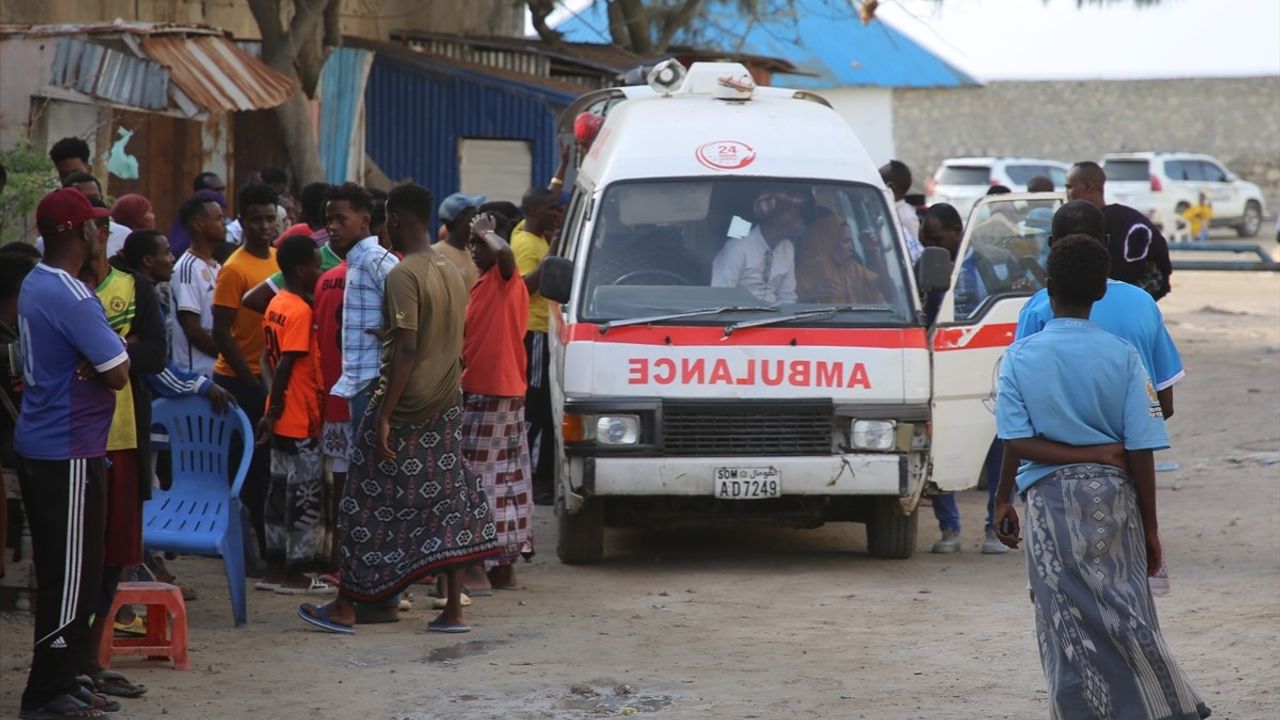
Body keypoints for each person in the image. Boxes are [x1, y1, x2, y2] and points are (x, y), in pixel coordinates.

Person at [992, 234, 1210, 720]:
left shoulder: (1019, 357)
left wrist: (1002, 500)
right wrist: (1151, 527)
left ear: (1048, 287)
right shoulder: (1125, 357)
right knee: (1128, 609)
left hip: (1048, 502)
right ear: (1100, 292)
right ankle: (1163, 704)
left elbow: (1016, 440)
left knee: (1063, 621)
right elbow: (1142, 446)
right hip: (1116, 498)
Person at [297, 184, 498, 635]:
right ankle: (447, 610)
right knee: (445, 500)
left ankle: (347, 606)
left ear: (394, 219)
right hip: (445, 401)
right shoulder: (451, 267)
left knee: (359, 504)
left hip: (406, 406)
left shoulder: (404, 274)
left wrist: (384, 414)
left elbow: (405, 347)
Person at [16, 188, 130, 718]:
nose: (100, 233)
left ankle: (65, 678)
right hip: (69, 450)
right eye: (94, 225)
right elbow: (118, 372)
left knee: (68, 571)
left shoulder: (37, 283)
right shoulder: (72, 295)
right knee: (71, 577)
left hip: (48, 444)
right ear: (78, 233)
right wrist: (103, 353)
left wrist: (97, 354)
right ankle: (46, 693)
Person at [918, 203, 1011, 554]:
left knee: (997, 446)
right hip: (942, 367)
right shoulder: (927, 266)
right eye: (925, 238)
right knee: (942, 447)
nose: (930, 245)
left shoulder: (988, 263)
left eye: (936, 237)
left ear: (958, 232)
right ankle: (950, 530)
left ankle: (995, 528)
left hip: (983, 365)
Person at [461, 213, 535, 591]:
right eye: (472, 243)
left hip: (492, 390)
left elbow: (505, 255)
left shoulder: (505, 277)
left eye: (480, 244)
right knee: (506, 479)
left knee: (479, 479)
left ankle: (477, 563)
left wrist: (486, 233)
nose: (475, 250)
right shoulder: (483, 284)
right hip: (494, 388)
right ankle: (503, 566)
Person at [255, 235, 328, 594]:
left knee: (278, 494)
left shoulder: (278, 302)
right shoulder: (300, 312)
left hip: (282, 416)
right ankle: (296, 573)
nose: (320, 270)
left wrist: (270, 407)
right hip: (298, 418)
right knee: (303, 496)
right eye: (317, 264)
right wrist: (279, 405)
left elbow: (264, 361)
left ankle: (272, 569)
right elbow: (285, 363)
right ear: (301, 269)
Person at [211, 183, 280, 566]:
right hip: (240, 381)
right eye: (256, 220)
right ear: (244, 222)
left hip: (270, 378)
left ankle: (267, 548)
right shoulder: (234, 268)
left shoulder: (278, 258)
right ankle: (245, 551)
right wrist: (252, 383)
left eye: (270, 219)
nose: (264, 226)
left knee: (267, 470)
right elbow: (221, 330)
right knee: (245, 470)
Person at [331, 186, 400, 440]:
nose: (333, 227)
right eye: (329, 220)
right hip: (360, 381)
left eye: (341, 219)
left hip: (374, 382)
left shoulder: (375, 259)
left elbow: (413, 308)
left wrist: (392, 334)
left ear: (365, 222)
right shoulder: (357, 260)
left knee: (372, 466)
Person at [512, 187, 563, 505]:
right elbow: (524, 288)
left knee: (545, 406)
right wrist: (552, 254)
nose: (555, 212)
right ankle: (526, 477)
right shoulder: (524, 243)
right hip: (535, 331)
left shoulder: (533, 236)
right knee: (535, 407)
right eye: (550, 207)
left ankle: (539, 476)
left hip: (548, 329)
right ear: (534, 210)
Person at [1065, 161, 1172, 301]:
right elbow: (1159, 276)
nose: (1067, 193)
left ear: (1087, 187)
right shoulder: (1133, 219)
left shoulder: (1081, 226)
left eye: (1069, 187)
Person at [711, 188, 803, 304]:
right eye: (794, 215)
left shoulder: (787, 248)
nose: (799, 220)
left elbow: (787, 296)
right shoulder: (737, 248)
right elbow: (721, 297)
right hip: (740, 318)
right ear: (776, 220)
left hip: (777, 318)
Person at [170, 196, 226, 377]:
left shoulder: (217, 266)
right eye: (218, 218)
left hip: (219, 371)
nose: (224, 223)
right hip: (198, 374)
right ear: (199, 224)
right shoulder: (186, 268)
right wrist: (228, 355)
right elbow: (193, 330)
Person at [795, 207, 891, 305]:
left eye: (851, 241)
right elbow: (789, 309)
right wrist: (810, 298)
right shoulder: (803, 275)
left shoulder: (855, 270)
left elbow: (889, 294)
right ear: (828, 242)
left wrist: (874, 253)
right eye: (845, 241)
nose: (851, 248)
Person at [59, 173, 131, 258]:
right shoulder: (55, 240)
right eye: (81, 199)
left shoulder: (124, 235)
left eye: (93, 198)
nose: (88, 204)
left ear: (101, 197)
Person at [434, 192, 484, 290]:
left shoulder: (472, 253)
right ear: (462, 219)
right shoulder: (436, 254)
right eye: (474, 215)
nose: (477, 220)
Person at [879, 160, 925, 262]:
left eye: (879, 181)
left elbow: (912, 254)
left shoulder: (907, 217)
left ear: (890, 186)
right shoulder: (883, 209)